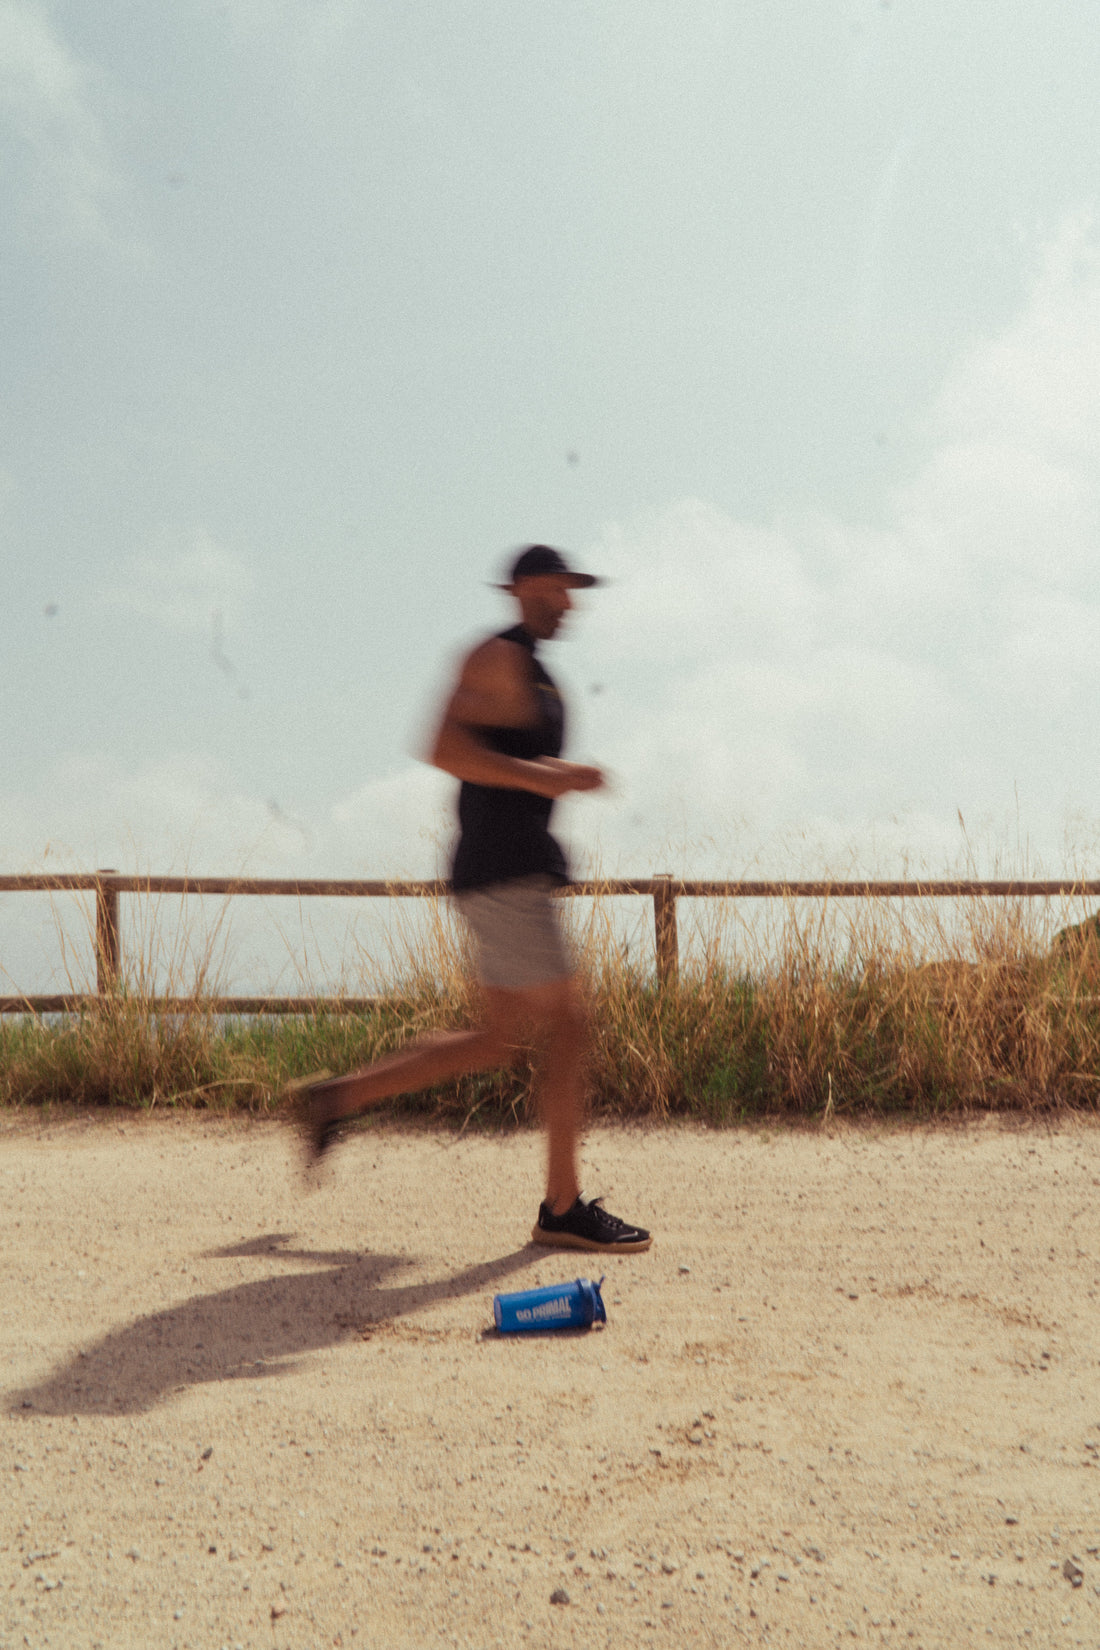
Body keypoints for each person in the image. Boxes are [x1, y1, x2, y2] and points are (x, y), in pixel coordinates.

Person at [291, 544, 652, 1254]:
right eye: (557, 589)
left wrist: (553, 775)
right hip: (503, 870)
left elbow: (502, 758)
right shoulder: (494, 657)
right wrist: (543, 778)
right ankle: (562, 1208)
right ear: (522, 588)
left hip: (508, 869)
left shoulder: (536, 673)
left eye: (573, 592)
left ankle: (336, 1098)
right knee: (571, 1024)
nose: (569, 603)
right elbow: (441, 748)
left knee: (496, 1040)